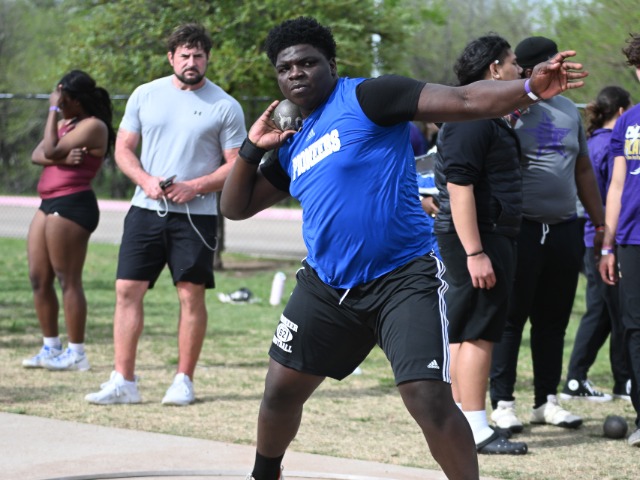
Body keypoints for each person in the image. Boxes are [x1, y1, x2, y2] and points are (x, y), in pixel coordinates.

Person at [220, 17, 586, 479]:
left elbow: (465, 99)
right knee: (279, 392)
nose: (295, 73)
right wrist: (252, 148)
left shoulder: (370, 97)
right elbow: (235, 207)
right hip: (327, 286)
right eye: (284, 68)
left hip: (402, 277)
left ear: (331, 64)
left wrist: (529, 89)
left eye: (307, 63)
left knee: (427, 398)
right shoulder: (293, 143)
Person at [85, 23, 246, 406]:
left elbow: (236, 166)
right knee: (127, 290)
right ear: (171, 57)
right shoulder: (146, 94)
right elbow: (123, 148)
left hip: (196, 216)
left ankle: (183, 381)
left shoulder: (225, 105)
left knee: (190, 295)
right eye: (184, 55)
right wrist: (146, 180)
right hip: (145, 209)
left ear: (207, 59)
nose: (192, 62)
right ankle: (124, 381)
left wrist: (196, 186)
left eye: (198, 56)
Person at [489, 36, 605, 433]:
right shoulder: (509, 107)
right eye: (551, 65)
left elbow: (583, 169)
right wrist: (523, 98)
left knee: (553, 320)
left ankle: (546, 401)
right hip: (519, 228)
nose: (559, 71)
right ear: (529, 70)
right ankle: (503, 402)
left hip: (564, 228)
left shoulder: (569, 111)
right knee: (511, 319)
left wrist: (599, 223)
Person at [434, 34, 527, 455]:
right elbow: (459, 187)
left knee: (468, 329)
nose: (519, 71)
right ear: (494, 69)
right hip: (479, 237)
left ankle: (459, 423)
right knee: (478, 332)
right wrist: (475, 252)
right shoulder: (471, 117)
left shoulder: (482, 114)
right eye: (513, 64)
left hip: (485, 235)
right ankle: (474, 428)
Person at [23, 70, 114, 371]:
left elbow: (48, 149)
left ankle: (77, 353)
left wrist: (51, 109)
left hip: (73, 204)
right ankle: (51, 347)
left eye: (63, 101)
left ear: (76, 100)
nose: (59, 106)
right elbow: (37, 154)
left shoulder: (93, 126)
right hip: (47, 203)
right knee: (38, 278)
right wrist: (62, 158)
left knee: (67, 279)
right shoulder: (66, 125)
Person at [561, 86, 632, 402]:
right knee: (608, 311)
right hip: (602, 238)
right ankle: (580, 380)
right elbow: (613, 194)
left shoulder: (593, 142)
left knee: (607, 311)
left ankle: (617, 380)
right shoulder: (611, 145)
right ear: (622, 112)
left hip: (595, 236)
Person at [600, 32, 640, 447]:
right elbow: (615, 186)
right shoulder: (628, 122)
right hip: (631, 239)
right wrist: (608, 245)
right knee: (634, 327)